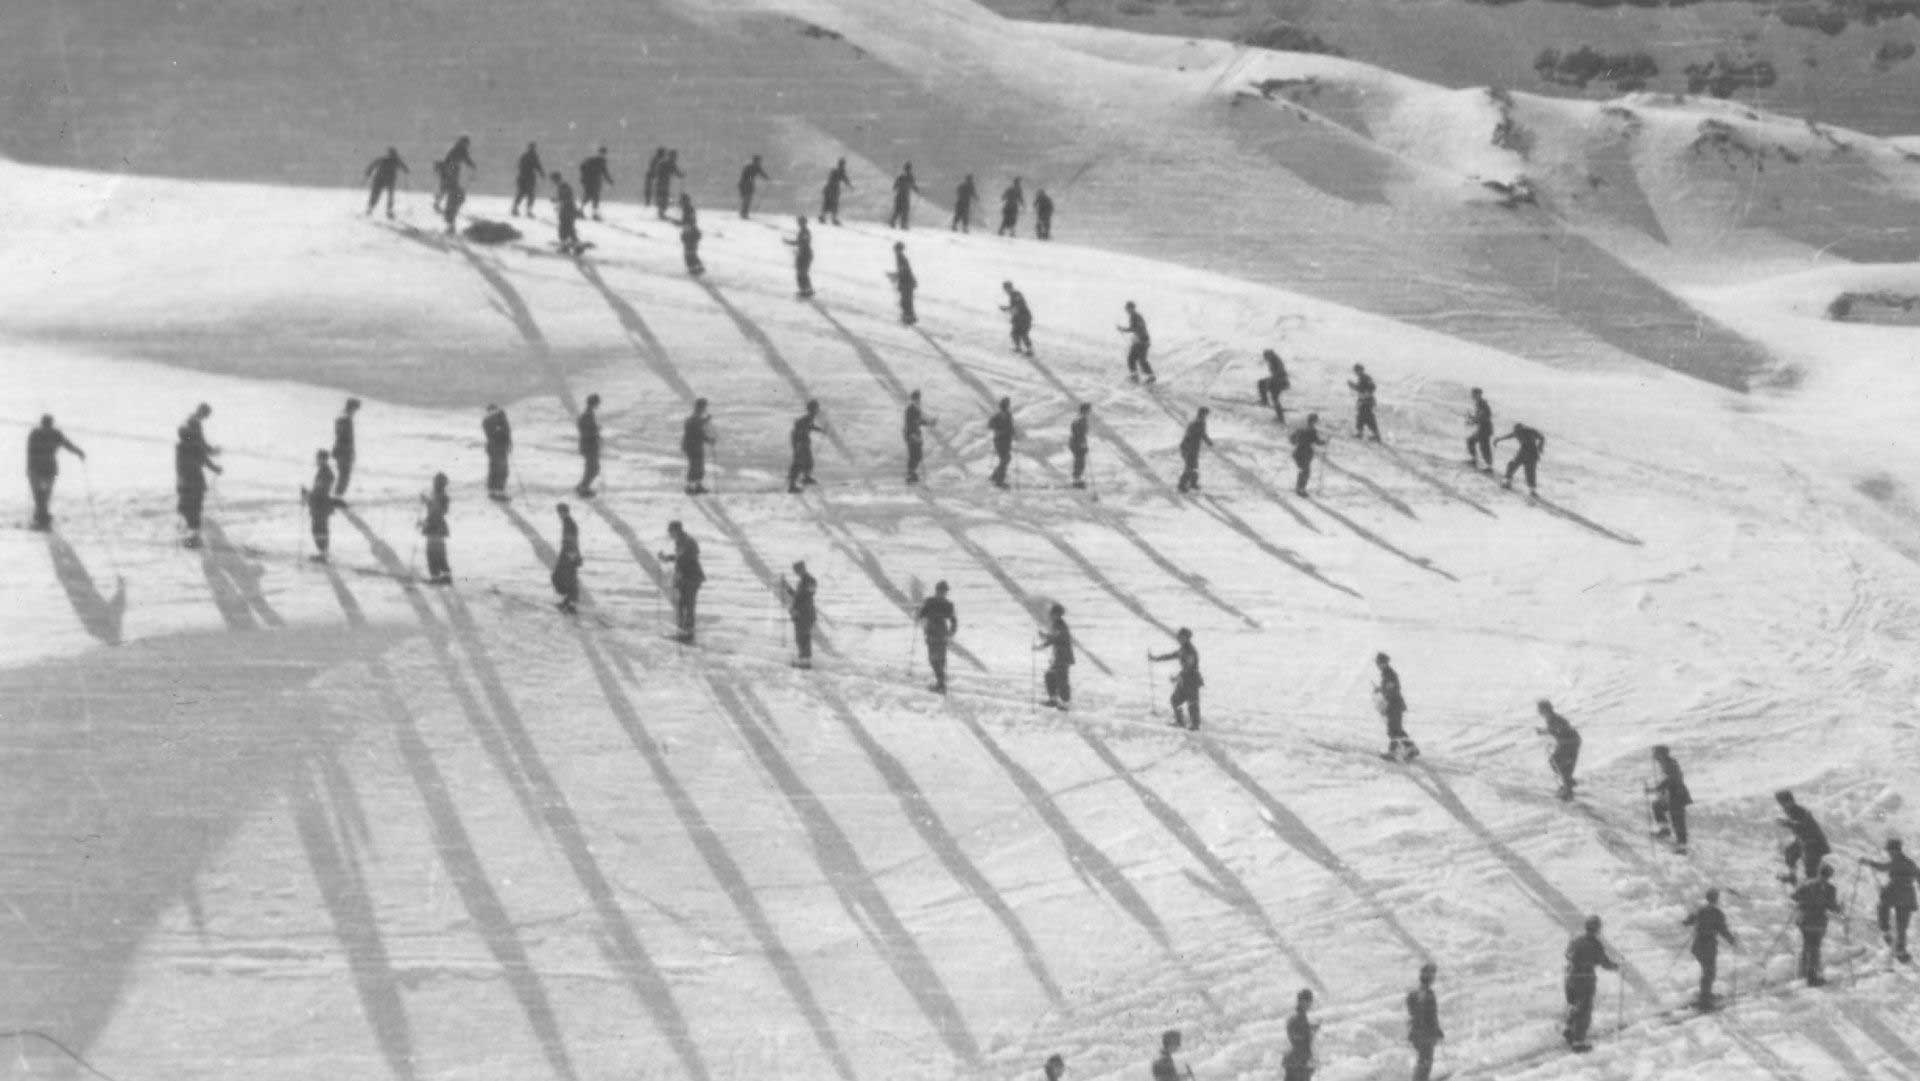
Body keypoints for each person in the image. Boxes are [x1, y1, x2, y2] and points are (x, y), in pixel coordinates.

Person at [1563, 915, 1618, 1051]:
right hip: (1585, 980)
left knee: (1574, 1005)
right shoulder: (1595, 945)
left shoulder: (1576, 940)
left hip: (1570, 978)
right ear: (1597, 929)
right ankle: (1578, 1042)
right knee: (1584, 1010)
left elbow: (1567, 954)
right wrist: (1616, 965)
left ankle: (1569, 1030)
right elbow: (1605, 963)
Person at [25, 415, 84, 531]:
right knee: (40, 494)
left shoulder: (50, 434)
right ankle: (41, 517)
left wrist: (79, 452)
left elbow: (68, 445)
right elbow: (29, 451)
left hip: (45, 468)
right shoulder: (41, 434)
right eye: (46, 425)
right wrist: (79, 452)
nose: (47, 427)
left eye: (48, 425)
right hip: (39, 468)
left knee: (44, 494)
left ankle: (42, 518)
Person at [1861, 838, 1917, 962]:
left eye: (1890, 851)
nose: (1889, 854)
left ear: (1895, 850)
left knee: (1882, 908)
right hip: (1907, 896)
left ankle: (1886, 932)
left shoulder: (1897, 861)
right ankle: (1901, 951)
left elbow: (1882, 867)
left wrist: (1868, 862)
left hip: (1894, 892)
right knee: (1902, 925)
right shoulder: (1910, 863)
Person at [175, 403, 222, 547]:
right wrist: (215, 467)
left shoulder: (182, 444)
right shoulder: (194, 430)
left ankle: (186, 530)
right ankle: (192, 537)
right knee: (195, 504)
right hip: (194, 478)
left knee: (186, 503)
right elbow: (202, 453)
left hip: (183, 477)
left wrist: (210, 451)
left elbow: (201, 448)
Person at [1682, 888, 1736, 1010]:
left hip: (1697, 946)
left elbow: (1688, 921)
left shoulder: (1700, 910)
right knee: (1709, 972)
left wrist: (1687, 922)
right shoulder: (1717, 913)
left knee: (1706, 971)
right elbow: (1723, 930)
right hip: (1708, 947)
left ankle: (1705, 994)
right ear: (1716, 899)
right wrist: (1732, 940)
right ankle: (1705, 1001)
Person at [1791, 863, 1841, 987]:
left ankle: (1801, 973)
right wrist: (1840, 908)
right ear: (1830, 875)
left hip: (1803, 920)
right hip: (1818, 922)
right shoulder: (1830, 888)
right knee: (1814, 948)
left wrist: (1803, 902)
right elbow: (1833, 907)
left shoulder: (1806, 883)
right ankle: (1812, 977)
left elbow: (1794, 896)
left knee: (1806, 946)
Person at [1150, 628, 1203, 730]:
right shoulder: (1182, 649)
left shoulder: (1190, 651)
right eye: (1179, 637)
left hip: (1192, 680)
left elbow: (1189, 667)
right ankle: (1180, 721)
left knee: (1192, 703)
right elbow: (1170, 656)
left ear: (1187, 638)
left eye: (1182, 637)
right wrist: (1155, 658)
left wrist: (1177, 677)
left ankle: (1195, 726)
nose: (1179, 639)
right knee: (1175, 700)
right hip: (1184, 681)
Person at [661, 520, 704, 643]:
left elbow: (689, 556)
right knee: (681, 605)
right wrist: (667, 558)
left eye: (671, 532)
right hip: (685, 578)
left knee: (688, 606)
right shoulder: (681, 541)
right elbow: (680, 557)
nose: (670, 534)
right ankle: (682, 632)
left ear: (676, 530)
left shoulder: (688, 541)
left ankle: (688, 635)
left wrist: (677, 563)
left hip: (691, 578)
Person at [1776, 790, 1830, 884]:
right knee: (1790, 852)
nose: (1782, 806)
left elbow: (1802, 826)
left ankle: (1814, 888)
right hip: (1803, 841)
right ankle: (1792, 876)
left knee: (1810, 868)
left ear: (1790, 801)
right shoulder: (1791, 811)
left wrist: (1786, 823)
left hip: (1814, 843)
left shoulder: (1801, 811)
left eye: (1783, 803)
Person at [915, 580, 959, 694]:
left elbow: (920, 614)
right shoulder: (946, 604)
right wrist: (951, 632)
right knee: (939, 659)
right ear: (938, 590)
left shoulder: (930, 601)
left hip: (934, 633)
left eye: (944, 591)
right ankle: (941, 683)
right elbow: (954, 620)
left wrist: (951, 632)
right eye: (943, 591)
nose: (943, 593)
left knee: (935, 659)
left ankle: (941, 685)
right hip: (939, 633)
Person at [1375, 652, 1419, 761]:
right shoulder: (1387, 673)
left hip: (1394, 704)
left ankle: (1393, 752)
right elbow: (1389, 688)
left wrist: (1383, 695)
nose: (1378, 665)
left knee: (1392, 729)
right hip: (1394, 704)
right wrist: (1380, 690)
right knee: (1397, 729)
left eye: (1379, 662)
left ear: (1384, 663)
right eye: (1377, 663)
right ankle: (1411, 748)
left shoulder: (1389, 674)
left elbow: (1392, 690)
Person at [1649, 745, 1691, 852]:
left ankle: (1682, 846)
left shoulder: (1670, 764)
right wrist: (1661, 791)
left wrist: (1656, 789)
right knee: (1657, 805)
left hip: (1677, 796)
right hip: (1672, 795)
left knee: (1677, 820)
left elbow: (1671, 780)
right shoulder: (1667, 764)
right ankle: (1665, 829)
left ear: (1662, 755)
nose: (1656, 758)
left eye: (1657, 755)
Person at [1538, 699, 1581, 800]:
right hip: (1570, 742)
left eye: (1540, 710)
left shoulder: (1554, 718)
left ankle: (1567, 789)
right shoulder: (1551, 718)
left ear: (1546, 709)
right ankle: (1568, 785)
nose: (1539, 713)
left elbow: (1562, 728)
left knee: (1557, 762)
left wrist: (1546, 731)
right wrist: (1544, 731)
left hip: (1570, 743)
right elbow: (1556, 730)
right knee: (1558, 763)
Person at [1406, 963, 1443, 1081]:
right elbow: (1430, 1015)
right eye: (1433, 975)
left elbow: (1412, 1010)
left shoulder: (1413, 994)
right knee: (1425, 1061)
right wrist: (1436, 1030)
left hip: (1416, 1032)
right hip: (1425, 1033)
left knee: (1423, 1060)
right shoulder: (1428, 995)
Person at [1036, 603, 1074, 709]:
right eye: (1051, 614)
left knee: (1062, 680)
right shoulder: (1057, 624)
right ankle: (1053, 699)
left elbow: (1055, 638)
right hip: (1058, 657)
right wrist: (1044, 636)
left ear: (1058, 614)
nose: (1051, 616)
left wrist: (1042, 645)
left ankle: (1065, 703)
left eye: (1052, 614)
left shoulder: (1061, 625)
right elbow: (1054, 637)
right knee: (1050, 676)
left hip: (1063, 658)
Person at [304, 450, 340, 562]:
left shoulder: (325, 473)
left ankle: (323, 554)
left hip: (320, 506)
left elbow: (320, 491)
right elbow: (319, 489)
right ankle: (323, 553)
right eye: (317, 458)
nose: (317, 461)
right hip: (320, 505)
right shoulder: (324, 472)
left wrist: (307, 494)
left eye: (319, 458)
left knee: (318, 529)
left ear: (323, 459)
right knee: (320, 529)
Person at [1494, 423, 1546, 496]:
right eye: (1517, 432)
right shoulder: (1521, 431)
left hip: (1529, 453)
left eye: (1519, 431)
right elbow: (1509, 436)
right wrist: (1498, 439)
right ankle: (1510, 483)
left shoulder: (1529, 431)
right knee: (1516, 466)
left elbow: (1542, 437)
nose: (1518, 434)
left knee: (1526, 470)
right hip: (1527, 452)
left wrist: (1540, 447)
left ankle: (1531, 490)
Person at [787, 400, 826, 494]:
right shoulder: (807, 418)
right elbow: (799, 429)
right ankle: (792, 486)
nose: (817, 411)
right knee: (798, 463)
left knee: (808, 461)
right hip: (800, 442)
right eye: (816, 409)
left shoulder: (809, 418)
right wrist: (799, 445)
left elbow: (809, 426)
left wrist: (820, 430)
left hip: (802, 441)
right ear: (812, 409)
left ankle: (806, 478)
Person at [420, 472, 452, 584]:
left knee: (432, 553)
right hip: (438, 527)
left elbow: (436, 510)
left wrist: (427, 502)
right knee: (440, 553)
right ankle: (445, 575)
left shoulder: (440, 496)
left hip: (434, 527)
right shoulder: (442, 496)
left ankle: (436, 576)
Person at [552, 502, 583, 614]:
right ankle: (568, 602)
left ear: (563, 512)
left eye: (559, 512)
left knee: (564, 578)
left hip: (569, 555)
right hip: (567, 553)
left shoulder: (569, 524)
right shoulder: (567, 522)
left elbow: (571, 541)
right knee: (562, 577)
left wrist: (573, 556)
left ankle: (571, 604)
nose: (558, 515)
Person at [786, 560, 817, 668]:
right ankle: (803, 661)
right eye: (796, 571)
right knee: (800, 637)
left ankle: (805, 662)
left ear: (802, 569)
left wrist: (796, 609)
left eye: (798, 570)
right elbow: (798, 596)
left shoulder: (810, 580)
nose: (797, 573)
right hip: (801, 615)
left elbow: (806, 596)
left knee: (804, 637)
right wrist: (787, 588)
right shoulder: (802, 582)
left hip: (806, 614)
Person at [1282, 989, 1317, 1081]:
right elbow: (1295, 1036)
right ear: (1301, 1001)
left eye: (1310, 1001)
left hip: (1301, 1061)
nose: (1309, 1004)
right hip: (1297, 1063)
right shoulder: (1296, 1018)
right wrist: (1308, 1031)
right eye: (1307, 1001)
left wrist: (1310, 1029)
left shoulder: (1302, 1017)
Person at [435, 135, 476, 213]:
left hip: (447, 172)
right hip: (450, 172)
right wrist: (473, 166)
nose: (468, 146)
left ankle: (438, 204)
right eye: (467, 144)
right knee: (454, 190)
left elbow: (449, 160)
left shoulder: (455, 148)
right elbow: (466, 159)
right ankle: (451, 207)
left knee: (445, 189)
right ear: (464, 143)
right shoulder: (461, 149)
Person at [363, 147, 409, 218]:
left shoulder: (394, 160)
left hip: (386, 180)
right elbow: (373, 165)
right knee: (378, 194)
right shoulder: (389, 160)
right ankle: (371, 209)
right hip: (381, 180)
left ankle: (386, 211)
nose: (393, 156)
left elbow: (405, 168)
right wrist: (368, 172)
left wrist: (368, 172)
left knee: (387, 195)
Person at [683, 398, 716, 495]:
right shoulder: (694, 418)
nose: (705, 409)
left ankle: (697, 486)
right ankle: (689, 487)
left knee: (699, 466)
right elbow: (698, 432)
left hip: (694, 445)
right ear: (700, 407)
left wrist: (706, 420)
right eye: (704, 407)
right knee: (694, 466)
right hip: (692, 446)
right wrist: (709, 440)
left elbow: (698, 424)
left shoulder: (695, 417)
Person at [1290, 413, 1326, 497]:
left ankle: (1299, 487)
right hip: (1305, 453)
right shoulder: (1312, 430)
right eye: (1316, 421)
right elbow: (1317, 442)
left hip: (1297, 452)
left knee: (1302, 470)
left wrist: (1298, 442)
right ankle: (1301, 489)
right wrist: (1325, 442)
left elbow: (1292, 439)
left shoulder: (1300, 429)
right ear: (1313, 421)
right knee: (1306, 472)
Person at [1176, 407, 1211, 494]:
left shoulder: (1202, 423)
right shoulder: (1195, 424)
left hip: (1194, 448)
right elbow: (1188, 437)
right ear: (1201, 414)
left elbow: (1203, 434)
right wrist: (1187, 449)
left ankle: (1193, 483)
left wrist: (1208, 441)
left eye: (1206, 415)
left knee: (1194, 466)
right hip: (1188, 448)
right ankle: (1181, 486)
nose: (1206, 417)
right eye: (1205, 414)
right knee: (1189, 467)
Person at [904, 390, 935, 485]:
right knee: (914, 455)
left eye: (918, 399)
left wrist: (930, 423)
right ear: (913, 399)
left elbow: (919, 421)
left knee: (918, 455)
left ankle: (912, 474)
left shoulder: (916, 409)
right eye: (916, 399)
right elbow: (909, 423)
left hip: (916, 434)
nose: (918, 400)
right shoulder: (910, 410)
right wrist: (913, 435)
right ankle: (910, 476)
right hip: (911, 435)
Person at [482, 404, 513, 501]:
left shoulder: (488, 420)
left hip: (494, 448)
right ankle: (499, 493)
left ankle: (493, 491)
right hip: (498, 448)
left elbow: (506, 433)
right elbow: (503, 433)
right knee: (501, 471)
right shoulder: (497, 420)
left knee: (494, 470)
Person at [331, 398, 360, 500]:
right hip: (344, 451)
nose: (355, 412)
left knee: (343, 474)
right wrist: (350, 451)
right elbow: (345, 437)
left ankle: (337, 495)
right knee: (344, 474)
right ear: (351, 408)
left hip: (341, 450)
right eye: (355, 409)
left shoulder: (342, 417)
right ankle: (337, 496)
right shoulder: (346, 419)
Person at [1117, 302, 1154, 382]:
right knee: (1133, 358)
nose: (1126, 310)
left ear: (1132, 308)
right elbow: (1136, 328)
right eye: (1126, 309)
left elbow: (1135, 328)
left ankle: (1149, 376)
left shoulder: (1135, 316)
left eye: (1128, 308)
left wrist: (1123, 329)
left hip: (1142, 341)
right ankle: (1136, 376)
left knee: (1139, 359)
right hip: (1141, 340)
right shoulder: (1135, 316)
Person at [575, 393, 602, 498]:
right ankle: (583, 488)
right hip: (589, 446)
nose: (598, 405)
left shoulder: (588, 414)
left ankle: (582, 486)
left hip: (589, 446)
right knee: (593, 469)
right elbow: (586, 432)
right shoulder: (587, 415)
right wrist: (596, 431)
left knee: (591, 468)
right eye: (597, 403)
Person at [988, 397, 1016, 489]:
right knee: (1005, 459)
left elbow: (1010, 427)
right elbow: (990, 425)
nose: (1007, 407)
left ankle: (995, 476)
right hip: (1000, 440)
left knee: (1006, 459)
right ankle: (999, 481)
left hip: (1005, 441)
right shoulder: (999, 416)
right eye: (1006, 405)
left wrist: (1012, 432)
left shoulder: (1007, 415)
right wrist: (1001, 430)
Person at [552, 172, 585, 253]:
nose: (553, 182)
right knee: (569, 229)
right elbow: (566, 198)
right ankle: (576, 245)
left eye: (553, 180)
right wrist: (558, 201)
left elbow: (566, 198)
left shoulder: (563, 186)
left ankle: (565, 246)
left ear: (555, 179)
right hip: (569, 210)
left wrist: (558, 201)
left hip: (567, 211)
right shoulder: (563, 186)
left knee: (564, 228)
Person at [579, 146, 614, 220]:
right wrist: (609, 180)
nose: (603, 154)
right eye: (602, 153)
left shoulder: (594, 160)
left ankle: (583, 211)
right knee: (592, 197)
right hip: (593, 182)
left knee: (590, 197)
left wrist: (609, 180)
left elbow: (604, 171)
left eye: (603, 153)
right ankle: (590, 213)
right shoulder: (598, 161)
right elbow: (604, 171)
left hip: (592, 182)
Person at [1348, 363, 1381, 441]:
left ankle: (1372, 435)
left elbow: (1370, 388)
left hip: (1366, 401)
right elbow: (1362, 388)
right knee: (1363, 417)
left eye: (1356, 371)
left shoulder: (1364, 378)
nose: (1355, 373)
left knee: (1366, 417)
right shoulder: (1363, 378)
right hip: (1365, 400)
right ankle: (1364, 433)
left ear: (1360, 370)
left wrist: (1353, 386)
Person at [1001, 282, 1034, 356]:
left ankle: (1029, 350)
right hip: (1019, 317)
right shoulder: (1013, 295)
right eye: (1005, 289)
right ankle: (1018, 348)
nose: (1005, 290)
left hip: (1024, 317)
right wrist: (1008, 310)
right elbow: (1015, 308)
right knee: (1014, 333)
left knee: (1023, 333)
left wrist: (1006, 309)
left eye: (1006, 288)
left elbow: (1018, 307)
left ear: (1009, 288)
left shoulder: (1016, 294)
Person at [511, 143, 544, 217]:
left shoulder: (524, 156)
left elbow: (519, 166)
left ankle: (515, 208)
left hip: (522, 177)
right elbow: (538, 166)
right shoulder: (533, 156)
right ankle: (528, 211)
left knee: (521, 193)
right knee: (530, 195)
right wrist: (542, 173)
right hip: (529, 178)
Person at [1257, 348, 1289, 422]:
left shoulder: (1276, 361)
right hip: (1278, 381)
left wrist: (1270, 381)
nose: (1265, 359)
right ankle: (1279, 416)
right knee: (1273, 397)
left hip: (1280, 381)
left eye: (1266, 357)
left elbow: (1279, 372)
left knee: (1263, 384)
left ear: (1270, 355)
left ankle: (1265, 402)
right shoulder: (1273, 360)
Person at [785, 217, 814, 298]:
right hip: (804, 254)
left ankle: (805, 290)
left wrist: (790, 243)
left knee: (801, 273)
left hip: (805, 255)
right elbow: (800, 242)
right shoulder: (803, 231)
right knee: (802, 273)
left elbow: (802, 242)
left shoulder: (805, 232)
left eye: (800, 222)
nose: (799, 223)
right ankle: (807, 290)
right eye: (799, 222)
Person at [1466, 388, 1494, 470]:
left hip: (1485, 429)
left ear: (1479, 394)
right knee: (1471, 441)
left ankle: (1489, 466)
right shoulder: (1479, 403)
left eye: (1474, 394)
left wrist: (1473, 421)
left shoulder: (1482, 404)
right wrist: (1472, 418)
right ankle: (1474, 460)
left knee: (1484, 447)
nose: (1472, 396)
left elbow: (1483, 416)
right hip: (1482, 428)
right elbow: (1480, 416)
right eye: (1472, 394)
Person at [820, 157, 853, 226]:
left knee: (828, 204)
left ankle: (824, 217)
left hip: (830, 189)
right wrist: (850, 186)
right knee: (832, 204)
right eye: (843, 164)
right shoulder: (839, 172)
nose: (843, 166)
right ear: (841, 164)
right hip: (833, 190)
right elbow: (845, 179)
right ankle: (831, 219)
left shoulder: (835, 171)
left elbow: (843, 179)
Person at [891, 242, 917, 325]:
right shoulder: (900, 258)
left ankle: (909, 317)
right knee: (905, 301)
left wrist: (895, 275)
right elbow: (902, 271)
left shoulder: (901, 258)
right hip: (906, 282)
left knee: (906, 301)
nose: (895, 251)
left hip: (907, 282)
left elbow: (904, 271)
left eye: (896, 250)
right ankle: (908, 317)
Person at [737, 154, 771, 218]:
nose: (760, 162)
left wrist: (768, 179)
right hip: (746, 184)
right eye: (759, 161)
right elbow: (746, 175)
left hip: (745, 184)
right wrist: (750, 180)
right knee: (747, 199)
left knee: (747, 199)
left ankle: (744, 213)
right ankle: (744, 213)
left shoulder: (753, 166)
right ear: (756, 161)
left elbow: (762, 174)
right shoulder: (751, 166)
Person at [1068, 403, 1093, 490]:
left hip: (1076, 443)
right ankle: (1076, 481)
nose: (1089, 412)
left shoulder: (1080, 419)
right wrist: (1082, 444)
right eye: (1088, 410)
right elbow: (1079, 433)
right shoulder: (1081, 420)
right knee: (1080, 462)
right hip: (1077, 443)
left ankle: (1077, 479)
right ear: (1084, 411)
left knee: (1080, 462)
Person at [888, 163, 919, 229]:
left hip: (899, 196)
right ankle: (903, 225)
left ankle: (893, 223)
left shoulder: (900, 177)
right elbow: (914, 186)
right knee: (904, 211)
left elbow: (894, 187)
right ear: (909, 169)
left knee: (897, 210)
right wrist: (917, 190)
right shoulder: (910, 177)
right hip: (905, 197)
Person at [654, 150, 682, 219]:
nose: (675, 158)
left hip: (661, 183)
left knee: (662, 197)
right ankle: (661, 213)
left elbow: (657, 171)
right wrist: (682, 175)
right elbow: (678, 173)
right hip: (663, 183)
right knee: (663, 197)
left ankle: (661, 212)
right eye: (674, 157)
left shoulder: (664, 163)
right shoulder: (670, 164)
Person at [439, 167, 466, 234]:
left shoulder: (445, 178)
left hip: (455, 196)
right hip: (458, 195)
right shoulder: (448, 177)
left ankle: (451, 229)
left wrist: (437, 202)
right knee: (450, 213)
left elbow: (443, 190)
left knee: (449, 213)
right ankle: (451, 228)